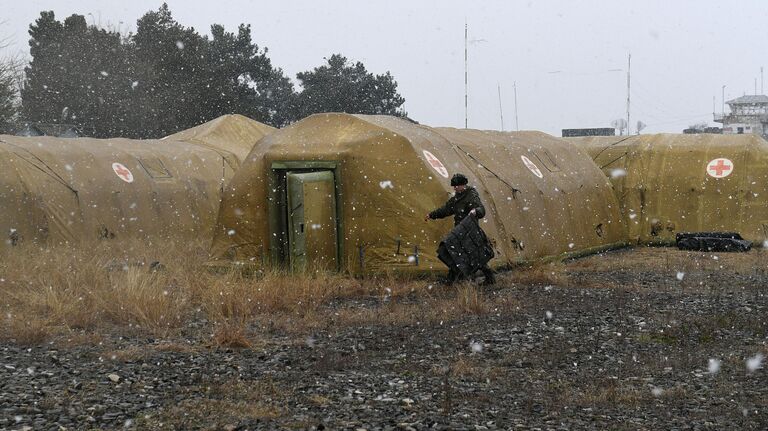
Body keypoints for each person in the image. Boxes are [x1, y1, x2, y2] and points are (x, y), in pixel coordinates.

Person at [424, 173, 496, 285]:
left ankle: (489, 278)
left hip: (469, 232)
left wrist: (475, 211)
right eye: (454, 186)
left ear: (463, 184)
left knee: (475, 255)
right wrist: (432, 215)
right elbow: (446, 209)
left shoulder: (471, 195)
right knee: (454, 253)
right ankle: (453, 278)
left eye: (457, 186)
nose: (455, 188)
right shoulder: (456, 198)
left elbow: (481, 209)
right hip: (459, 231)